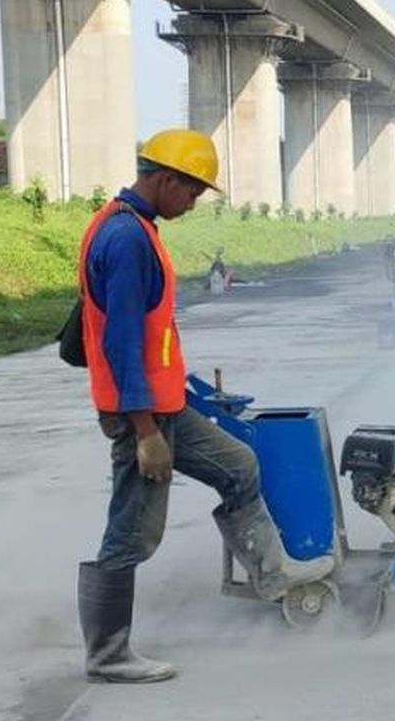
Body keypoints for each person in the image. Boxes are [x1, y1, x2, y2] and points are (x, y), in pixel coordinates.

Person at [76, 129, 334, 684]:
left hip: (166, 406)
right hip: (142, 415)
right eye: (191, 193)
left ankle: (273, 575)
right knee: (131, 530)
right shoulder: (125, 239)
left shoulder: (133, 226)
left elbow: (140, 334)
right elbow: (121, 340)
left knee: (238, 465)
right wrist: (143, 431)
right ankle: (108, 654)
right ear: (165, 179)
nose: (192, 204)